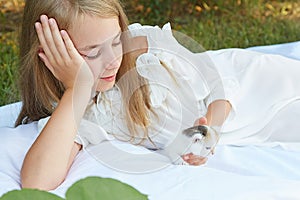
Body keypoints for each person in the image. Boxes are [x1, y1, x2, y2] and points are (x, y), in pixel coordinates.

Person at [16, 0, 300, 191]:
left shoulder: (143, 48)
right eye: (91, 52)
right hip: (255, 128)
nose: (113, 59)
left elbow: (221, 82)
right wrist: (75, 90)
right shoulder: (81, 112)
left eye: (116, 41)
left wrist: (208, 129)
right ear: (50, 55)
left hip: (257, 87)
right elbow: (36, 183)